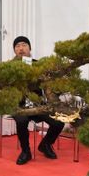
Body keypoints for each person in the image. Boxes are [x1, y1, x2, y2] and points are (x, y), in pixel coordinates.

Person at [11, 36, 65, 165]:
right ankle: (25, 151)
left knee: (59, 122)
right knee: (22, 121)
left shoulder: (39, 65)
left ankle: (45, 144)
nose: (21, 48)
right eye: (17, 46)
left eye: (24, 45)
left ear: (30, 48)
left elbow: (49, 85)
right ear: (14, 50)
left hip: (38, 104)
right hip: (19, 105)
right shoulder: (8, 67)